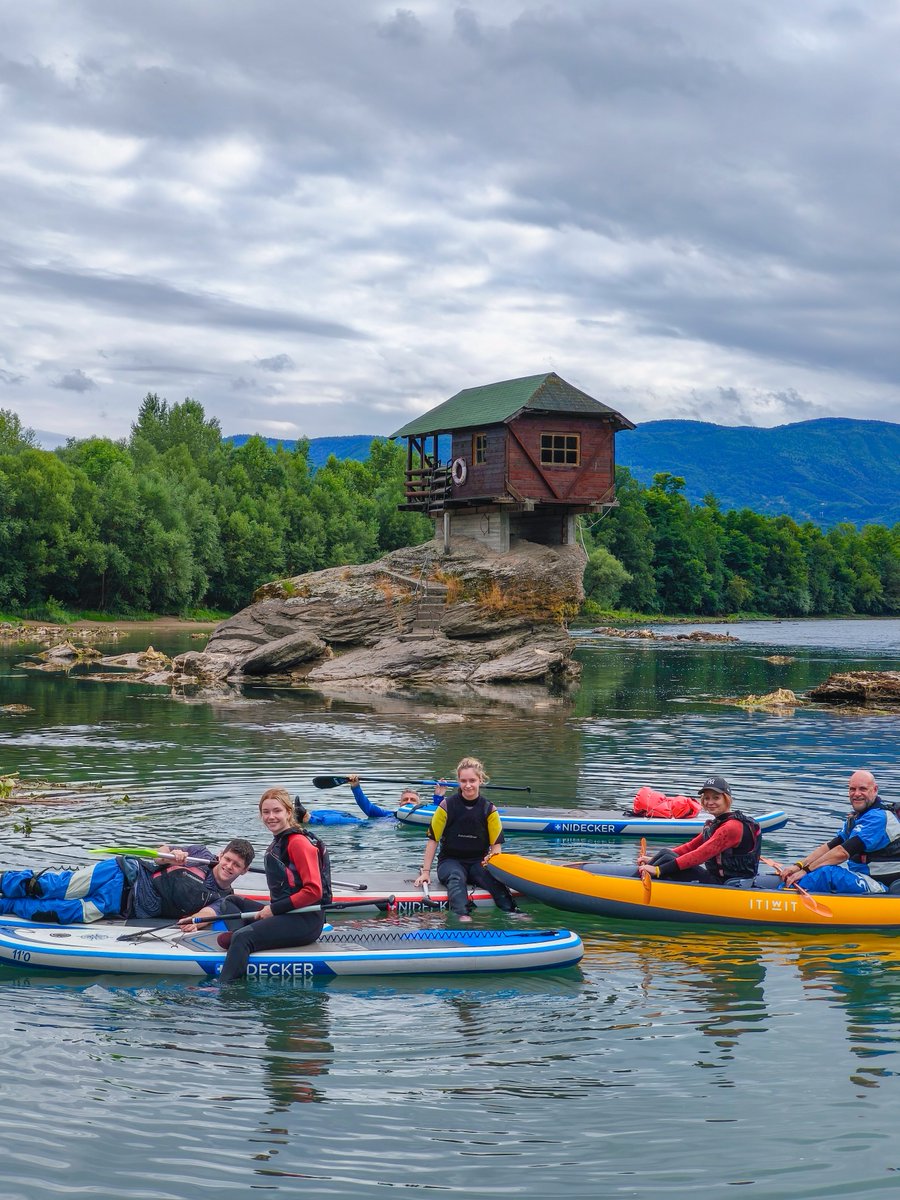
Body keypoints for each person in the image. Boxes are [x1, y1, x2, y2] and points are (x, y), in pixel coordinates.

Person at [192, 789, 331, 984]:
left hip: (304, 921)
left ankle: (225, 991)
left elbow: (313, 891)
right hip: (286, 915)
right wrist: (273, 912)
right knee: (230, 901)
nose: (271, 817)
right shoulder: (281, 841)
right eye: (266, 812)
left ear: (288, 813)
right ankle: (241, 942)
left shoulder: (298, 843)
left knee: (241, 938)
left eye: (277, 811)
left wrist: (272, 910)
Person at [0, 840, 255, 924]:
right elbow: (160, 851)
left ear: (243, 872)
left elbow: (206, 914)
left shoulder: (223, 899)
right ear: (221, 855)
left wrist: (197, 922)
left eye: (236, 866)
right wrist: (173, 856)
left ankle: (5, 907)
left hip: (120, 906)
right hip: (120, 874)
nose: (229, 867)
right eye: (228, 859)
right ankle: (3, 883)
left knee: (56, 912)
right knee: (50, 888)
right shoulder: (198, 855)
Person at [413, 757, 517, 922]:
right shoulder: (446, 806)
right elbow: (433, 840)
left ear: (480, 780)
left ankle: (513, 911)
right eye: (463, 781)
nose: (468, 785)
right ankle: (462, 915)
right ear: (458, 782)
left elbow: (496, 848)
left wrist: (496, 871)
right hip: (450, 862)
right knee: (456, 877)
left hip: (479, 862)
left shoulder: (489, 809)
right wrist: (426, 872)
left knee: (493, 881)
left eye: (472, 780)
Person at [780, 770, 898, 895]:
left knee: (828, 873)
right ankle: (785, 888)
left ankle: (781, 896)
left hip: (883, 885)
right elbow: (830, 847)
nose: (856, 794)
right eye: (852, 789)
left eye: (862, 789)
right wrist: (799, 866)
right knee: (821, 869)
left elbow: (841, 853)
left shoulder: (878, 818)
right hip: (863, 876)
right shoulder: (858, 818)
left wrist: (806, 871)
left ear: (874, 790)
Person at [638, 776, 761, 885]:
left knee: (668, 860)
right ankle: (638, 877)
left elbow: (699, 855)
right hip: (717, 878)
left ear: (726, 799)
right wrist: (653, 859)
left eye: (716, 798)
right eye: (706, 798)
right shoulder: (717, 823)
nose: (710, 802)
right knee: (666, 853)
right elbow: (690, 847)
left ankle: (635, 884)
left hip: (728, 884)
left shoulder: (731, 827)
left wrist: (659, 869)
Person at [303, 776, 445, 824]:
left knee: (349, 821)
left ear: (419, 804)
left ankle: (309, 819)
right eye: (405, 799)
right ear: (399, 803)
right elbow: (368, 808)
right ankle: (307, 813)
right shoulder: (389, 814)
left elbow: (437, 814)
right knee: (341, 813)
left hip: (367, 828)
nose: (408, 801)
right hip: (371, 825)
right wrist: (355, 786)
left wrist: (438, 797)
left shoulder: (423, 815)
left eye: (412, 800)